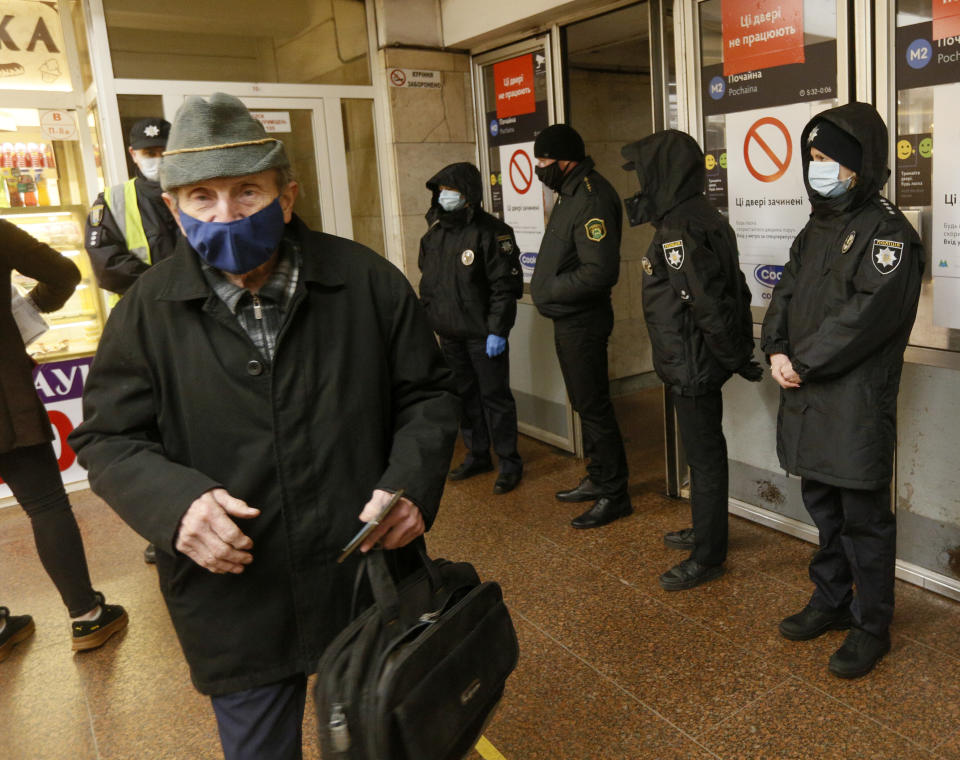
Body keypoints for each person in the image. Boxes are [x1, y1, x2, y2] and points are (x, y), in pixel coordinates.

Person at [69, 93, 459, 760]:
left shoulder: (367, 283)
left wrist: (413, 481)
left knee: (386, 738)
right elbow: (106, 439)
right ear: (173, 209)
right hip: (236, 593)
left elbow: (427, 394)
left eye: (247, 191)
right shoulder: (145, 313)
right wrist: (174, 507)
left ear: (286, 195)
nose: (226, 215)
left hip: (363, 574)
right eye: (201, 197)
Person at [760, 103, 924, 678]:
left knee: (864, 521)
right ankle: (830, 599)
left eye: (824, 158)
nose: (815, 169)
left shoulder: (890, 235)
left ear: (855, 163)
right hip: (807, 396)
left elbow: (865, 317)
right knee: (824, 510)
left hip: (853, 403)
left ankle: (870, 625)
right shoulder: (817, 226)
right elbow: (784, 291)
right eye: (811, 158)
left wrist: (800, 359)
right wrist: (775, 348)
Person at [620, 130, 761, 590]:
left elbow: (707, 302)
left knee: (703, 459)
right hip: (697, 358)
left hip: (693, 362)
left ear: (665, 173)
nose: (640, 181)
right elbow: (731, 287)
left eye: (644, 172)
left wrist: (735, 355)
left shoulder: (680, 228)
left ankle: (708, 555)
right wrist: (735, 354)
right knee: (705, 455)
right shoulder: (703, 215)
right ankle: (706, 529)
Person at [0, 219, 127, 662]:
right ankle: (88, 615)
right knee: (45, 505)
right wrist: (30, 307)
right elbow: (63, 273)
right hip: (5, 398)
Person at [84, 116, 178, 565]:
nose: (155, 160)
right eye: (148, 153)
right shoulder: (113, 201)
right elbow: (106, 266)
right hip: (144, 325)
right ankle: (164, 524)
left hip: (204, 321)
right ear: (133, 154)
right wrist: (168, 284)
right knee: (152, 424)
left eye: (162, 152)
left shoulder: (192, 191)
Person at [530, 123, 630, 529]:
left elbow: (598, 272)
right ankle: (599, 476)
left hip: (583, 320)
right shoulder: (569, 192)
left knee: (593, 404)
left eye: (545, 160)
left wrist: (550, 290)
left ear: (567, 159)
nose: (540, 167)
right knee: (584, 403)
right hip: (568, 318)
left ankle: (614, 493)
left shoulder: (591, 198)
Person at [418, 162, 524, 494]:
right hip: (449, 334)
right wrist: (429, 321)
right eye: (441, 191)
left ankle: (509, 462)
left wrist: (498, 330)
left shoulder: (493, 232)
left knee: (495, 398)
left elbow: (504, 287)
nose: (444, 196)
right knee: (465, 398)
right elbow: (429, 283)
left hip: (483, 335)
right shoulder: (434, 233)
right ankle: (478, 454)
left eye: (452, 191)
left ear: (469, 196)